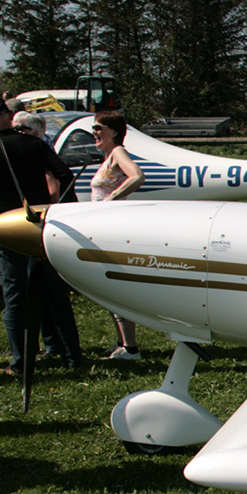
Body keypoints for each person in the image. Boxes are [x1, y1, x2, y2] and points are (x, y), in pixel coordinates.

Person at [0, 96, 83, 373]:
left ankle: (20, 363)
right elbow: (64, 176)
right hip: (42, 225)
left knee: (16, 296)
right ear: (10, 116)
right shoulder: (34, 143)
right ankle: (72, 357)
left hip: (11, 225)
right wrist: (59, 211)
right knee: (56, 294)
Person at [88, 110, 145, 359]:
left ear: (113, 131)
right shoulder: (108, 155)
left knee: (114, 285)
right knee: (106, 285)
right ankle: (122, 342)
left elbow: (137, 176)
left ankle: (131, 347)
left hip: (111, 227)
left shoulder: (118, 152)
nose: (94, 133)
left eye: (98, 128)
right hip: (101, 226)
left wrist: (112, 199)